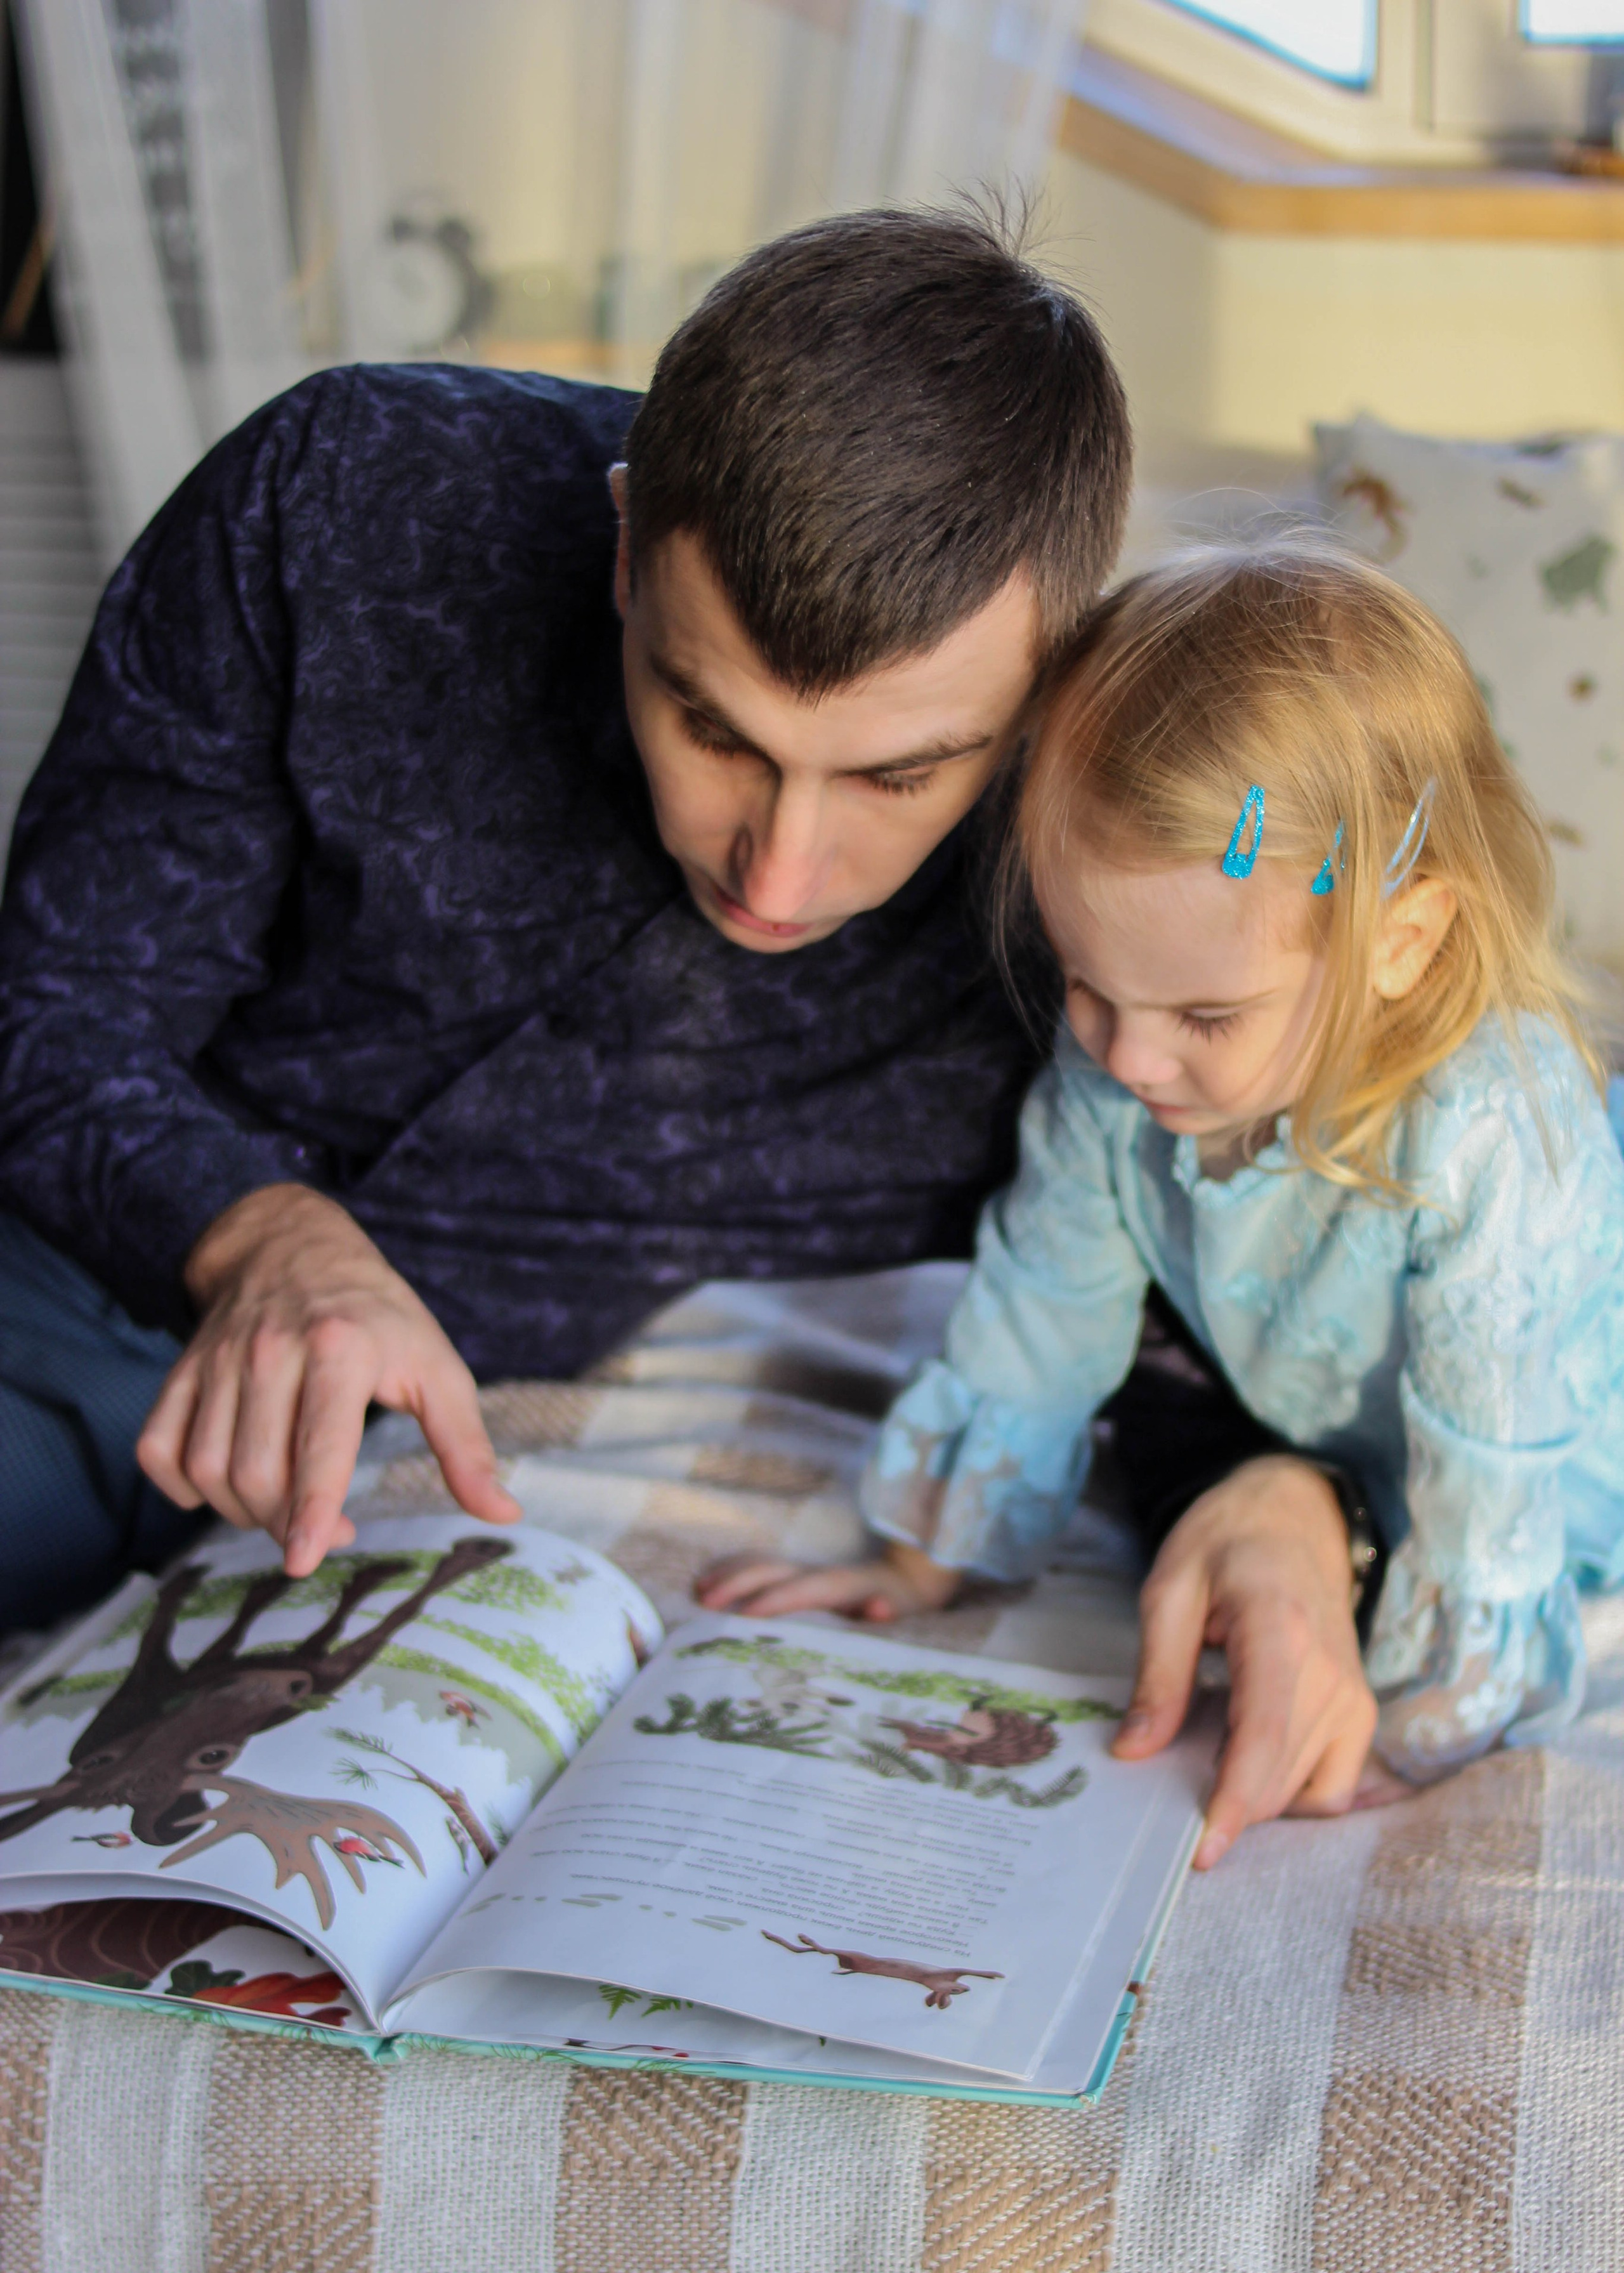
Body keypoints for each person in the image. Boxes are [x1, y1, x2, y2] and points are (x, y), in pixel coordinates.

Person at [0, 210, 1362, 1767]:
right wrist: (253, 1231)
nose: (775, 877)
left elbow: (1215, 1256)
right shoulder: (337, 502)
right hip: (76, 1299)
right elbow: (54, 1001)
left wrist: (1288, 1499)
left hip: (435, 1502)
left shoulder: (1127, 846)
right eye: (712, 728)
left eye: (898, 774)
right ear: (627, 538)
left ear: (1049, 674)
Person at [701, 544, 1624, 1863]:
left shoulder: (1490, 1137)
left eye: (1203, 1014)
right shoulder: (1116, 1068)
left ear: (1399, 943)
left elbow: (1487, 1493)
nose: (1128, 1058)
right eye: (1084, 983)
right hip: (1328, 1434)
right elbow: (1041, 1297)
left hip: (1566, 1452)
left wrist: (1416, 1721)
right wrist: (925, 1557)